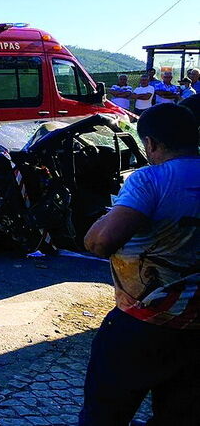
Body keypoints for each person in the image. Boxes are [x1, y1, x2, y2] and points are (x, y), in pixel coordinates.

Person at [79, 103, 200, 425]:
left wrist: (105, 219)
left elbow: (100, 242)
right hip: (196, 332)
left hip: (142, 324)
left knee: (105, 414)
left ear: (151, 144)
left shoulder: (152, 179)